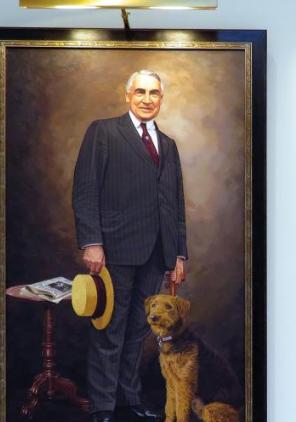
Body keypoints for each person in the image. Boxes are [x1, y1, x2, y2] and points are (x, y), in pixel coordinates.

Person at [72, 70, 188, 422]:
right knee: (109, 330)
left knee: (139, 329)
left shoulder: (168, 145)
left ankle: (129, 399)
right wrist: (92, 242)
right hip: (114, 250)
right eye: (140, 92)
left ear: (161, 98)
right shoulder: (104, 132)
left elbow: (175, 205)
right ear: (127, 96)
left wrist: (179, 254)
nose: (147, 99)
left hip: (156, 254)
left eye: (154, 93)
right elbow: (85, 190)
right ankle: (103, 406)